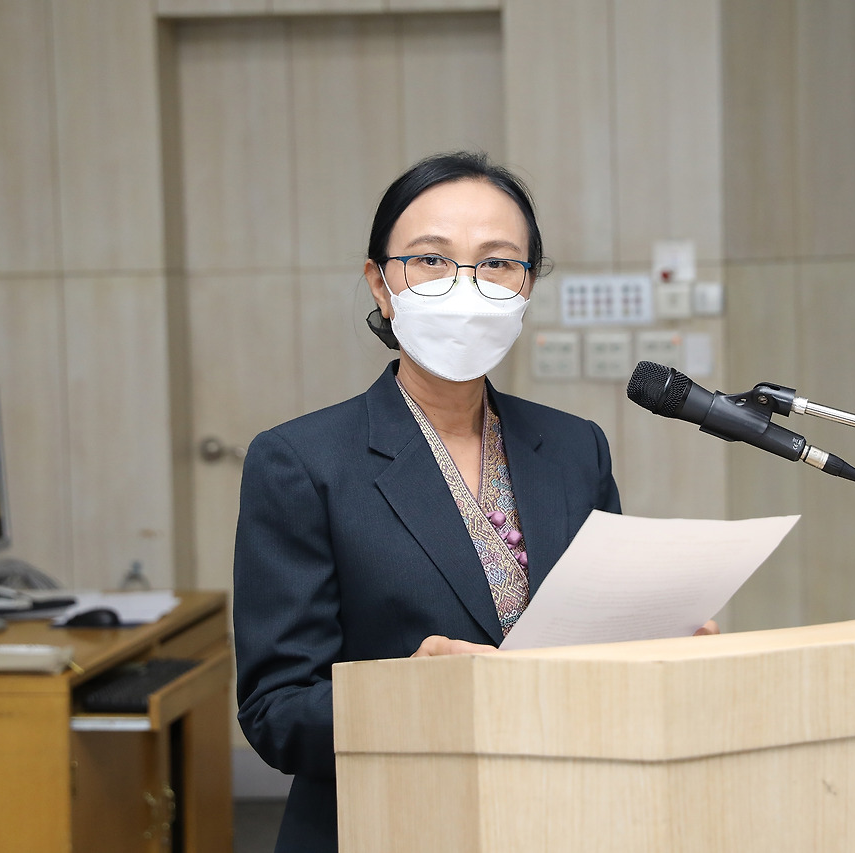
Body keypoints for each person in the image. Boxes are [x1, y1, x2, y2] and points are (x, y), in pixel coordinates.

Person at [232, 152, 624, 851]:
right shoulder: (301, 461)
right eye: (432, 261)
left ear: (528, 285)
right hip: (388, 824)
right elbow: (275, 710)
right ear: (381, 285)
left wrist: (661, 639)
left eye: (498, 263)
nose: (466, 286)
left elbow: (606, 637)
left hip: (560, 814)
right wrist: (409, 698)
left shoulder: (575, 448)